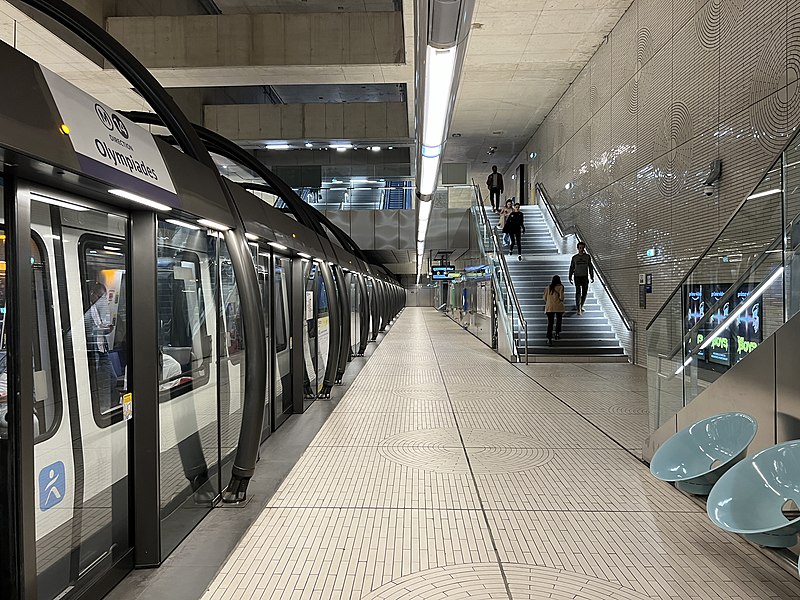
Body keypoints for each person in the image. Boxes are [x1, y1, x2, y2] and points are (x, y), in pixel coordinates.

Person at [84, 282, 117, 413]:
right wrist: (100, 329)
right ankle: (100, 408)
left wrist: (106, 328)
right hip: (93, 350)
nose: (100, 300)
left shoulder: (96, 309)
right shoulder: (86, 309)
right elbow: (87, 330)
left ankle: (107, 406)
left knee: (112, 378)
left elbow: (98, 326)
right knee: (97, 380)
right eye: (99, 296)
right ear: (92, 294)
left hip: (102, 349)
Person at [568, 241, 595, 315]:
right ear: (578, 248)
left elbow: (590, 266)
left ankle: (581, 305)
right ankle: (578, 308)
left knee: (585, 292)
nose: (581, 249)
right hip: (577, 276)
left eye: (582, 248)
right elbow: (572, 267)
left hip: (585, 276)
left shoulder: (587, 257)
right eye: (580, 248)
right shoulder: (574, 258)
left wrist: (592, 276)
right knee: (578, 292)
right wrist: (570, 276)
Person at [543, 275, 565, 346]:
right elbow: (561, 298)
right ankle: (557, 334)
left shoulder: (548, 288)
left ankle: (549, 338)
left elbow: (544, 298)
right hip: (558, 307)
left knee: (550, 323)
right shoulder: (561, 287)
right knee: (559, 321)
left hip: (550, 307)